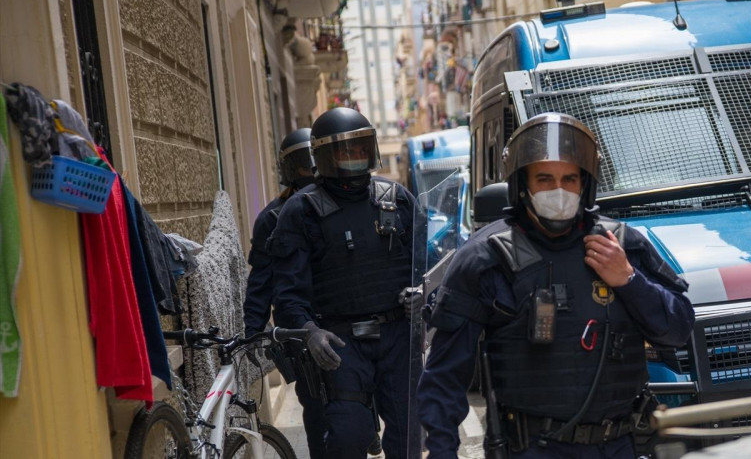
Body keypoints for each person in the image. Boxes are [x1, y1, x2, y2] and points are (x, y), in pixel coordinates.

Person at [418, 113, 695, 458]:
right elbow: (444, 375)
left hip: (621, 445)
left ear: (585, 184)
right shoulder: (486, 259)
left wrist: (628, 280)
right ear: (522, 184)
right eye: (545, 179)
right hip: (533, 448)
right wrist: (442, 451)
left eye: (570, 179)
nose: (559, 191)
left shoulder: (621, 245)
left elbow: (678, 331)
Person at [269, 108, 422, 458]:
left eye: (358, 148)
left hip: (397, 336)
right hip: (340, 343)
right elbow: (288, 293)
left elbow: (426, 265)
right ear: (324, 157)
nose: (354, 157)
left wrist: (423, 295)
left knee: (410, 434)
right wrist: (309, 332)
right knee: (348, 434)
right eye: (343, 151)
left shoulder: (396, 199)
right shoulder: (301, 211)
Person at [242, 127, 327, 456]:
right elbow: (261, 281)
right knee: (318, 412)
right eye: (305, 165)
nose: (313, 172)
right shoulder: (272, 218)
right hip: (299, 327)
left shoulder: (340, 204)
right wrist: (253, 330)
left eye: (315, 162)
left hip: (342, 318)